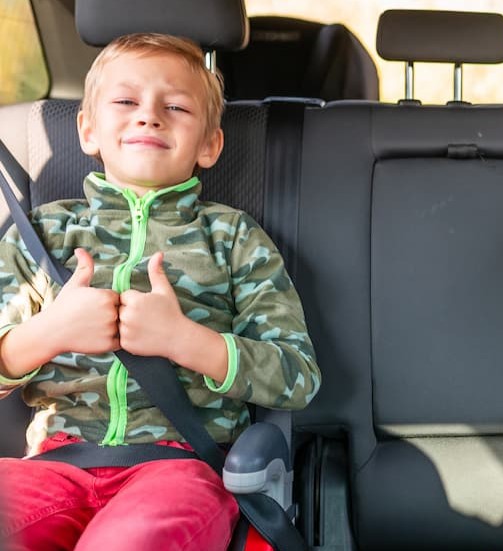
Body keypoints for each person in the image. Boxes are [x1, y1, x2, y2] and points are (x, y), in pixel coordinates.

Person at [0, 33, 321, 551]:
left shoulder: (233, 238)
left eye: (175, 106)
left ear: (210, 144)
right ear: (88, 128)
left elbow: (296, 376)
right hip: (52, 464)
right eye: (126, 102)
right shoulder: (42, 233)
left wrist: (184, 341)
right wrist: (50, 331)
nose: (149, 117)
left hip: (179, 468)